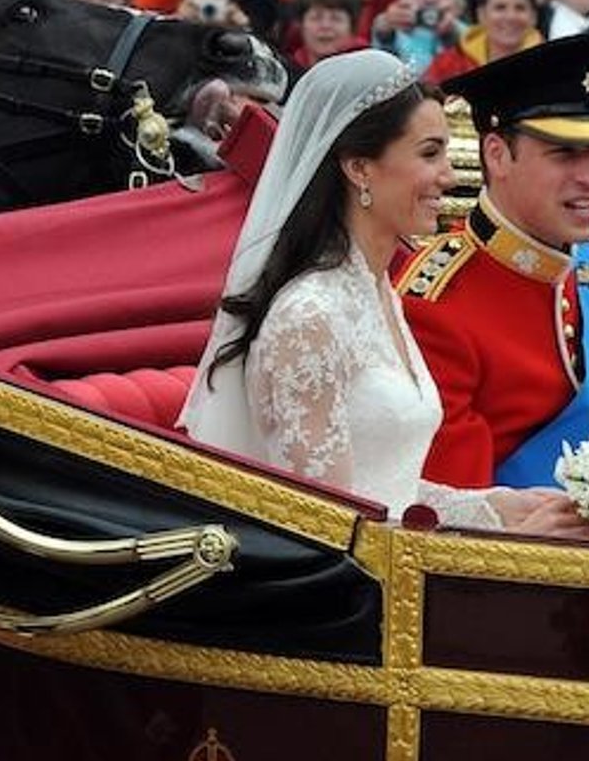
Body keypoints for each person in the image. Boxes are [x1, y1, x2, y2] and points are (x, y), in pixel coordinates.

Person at [180, 49, 585, 535]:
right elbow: (327, 526)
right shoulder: (311, 314)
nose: (451, 176)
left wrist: (498, 509)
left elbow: (391, 483)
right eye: (429, 153)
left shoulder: (375, 293)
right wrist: (510, 539)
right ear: (360, 169)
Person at [401, 35, 589, 490]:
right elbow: (460, 519)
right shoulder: (433, 305)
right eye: (564, 153)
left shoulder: (564, 260)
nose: (586, 176)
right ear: (497, 155)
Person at [423, 0, 541, 81]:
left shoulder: (550, 63)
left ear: (534, 17)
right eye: (500, 7)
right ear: (481, 15)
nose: (510, 17)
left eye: (520, 8)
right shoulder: (446, 65)